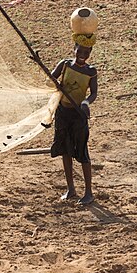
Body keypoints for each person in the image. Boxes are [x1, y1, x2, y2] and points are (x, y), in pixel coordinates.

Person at [50, 37, 98, 206]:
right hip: (63, 112)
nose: (83, 55)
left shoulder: (91, 71)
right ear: (74, 49)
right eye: (80, 51)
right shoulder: (65, 65)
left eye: (87, 52)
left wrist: (85, 103)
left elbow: (93, 93)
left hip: (79, 115)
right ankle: (71, 189)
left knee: (82, 152)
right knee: (65, 150)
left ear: (90, 53)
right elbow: (51, 78)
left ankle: (88, 192)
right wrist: (56, 84)